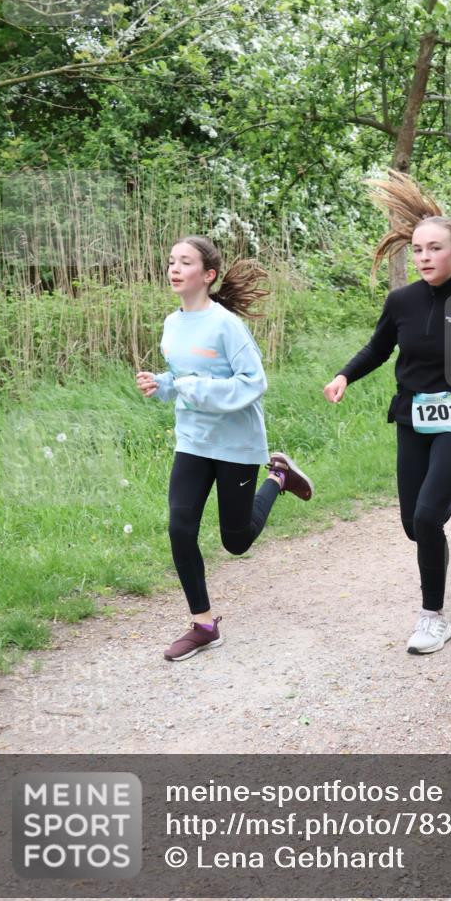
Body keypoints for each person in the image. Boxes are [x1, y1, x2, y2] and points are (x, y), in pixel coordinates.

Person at [323, 172, 451, 655]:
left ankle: (433, 618)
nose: (424, 257)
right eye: (417, 250)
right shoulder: (401, 302)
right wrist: (345, 375)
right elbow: (377, 349)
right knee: (414, 525)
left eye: (435, 249)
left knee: (428, 519)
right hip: (413, 419)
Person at [137, 235, 313, 662]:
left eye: (185, 262)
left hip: (236, 443)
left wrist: (190, 386)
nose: (174, 268)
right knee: (180, 529)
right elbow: (181, 379)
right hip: (193, 440)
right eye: (171, 261)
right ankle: (203, 625)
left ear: (208, 275)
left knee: (236, 541)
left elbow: (253, 383)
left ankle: (278, 477)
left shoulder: (226, 325)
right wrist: (161, 385)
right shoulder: (172, 324)